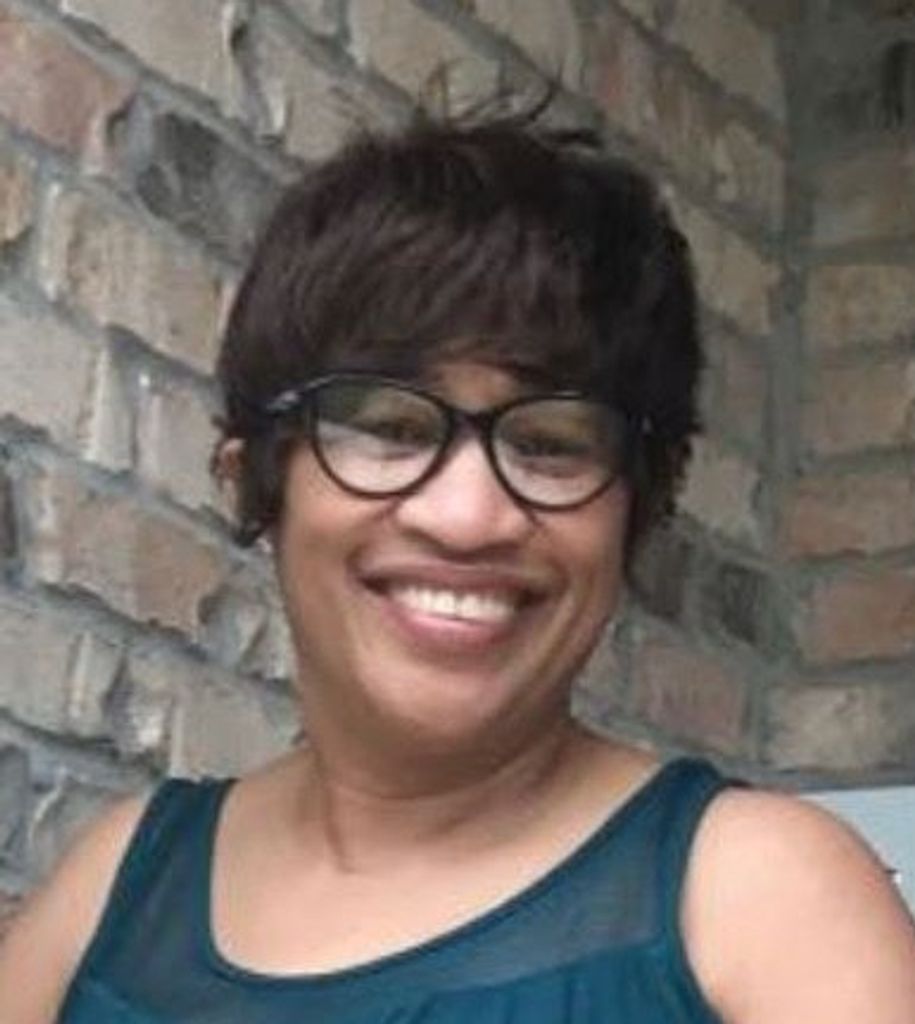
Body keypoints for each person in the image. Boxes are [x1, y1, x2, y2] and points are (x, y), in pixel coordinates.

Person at [1, 106, 914, 1024]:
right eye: (390, 429)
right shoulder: (115, 893)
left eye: (552, 444)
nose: (468, 518)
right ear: (256, 481)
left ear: (638, 509)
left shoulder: (763, 903)